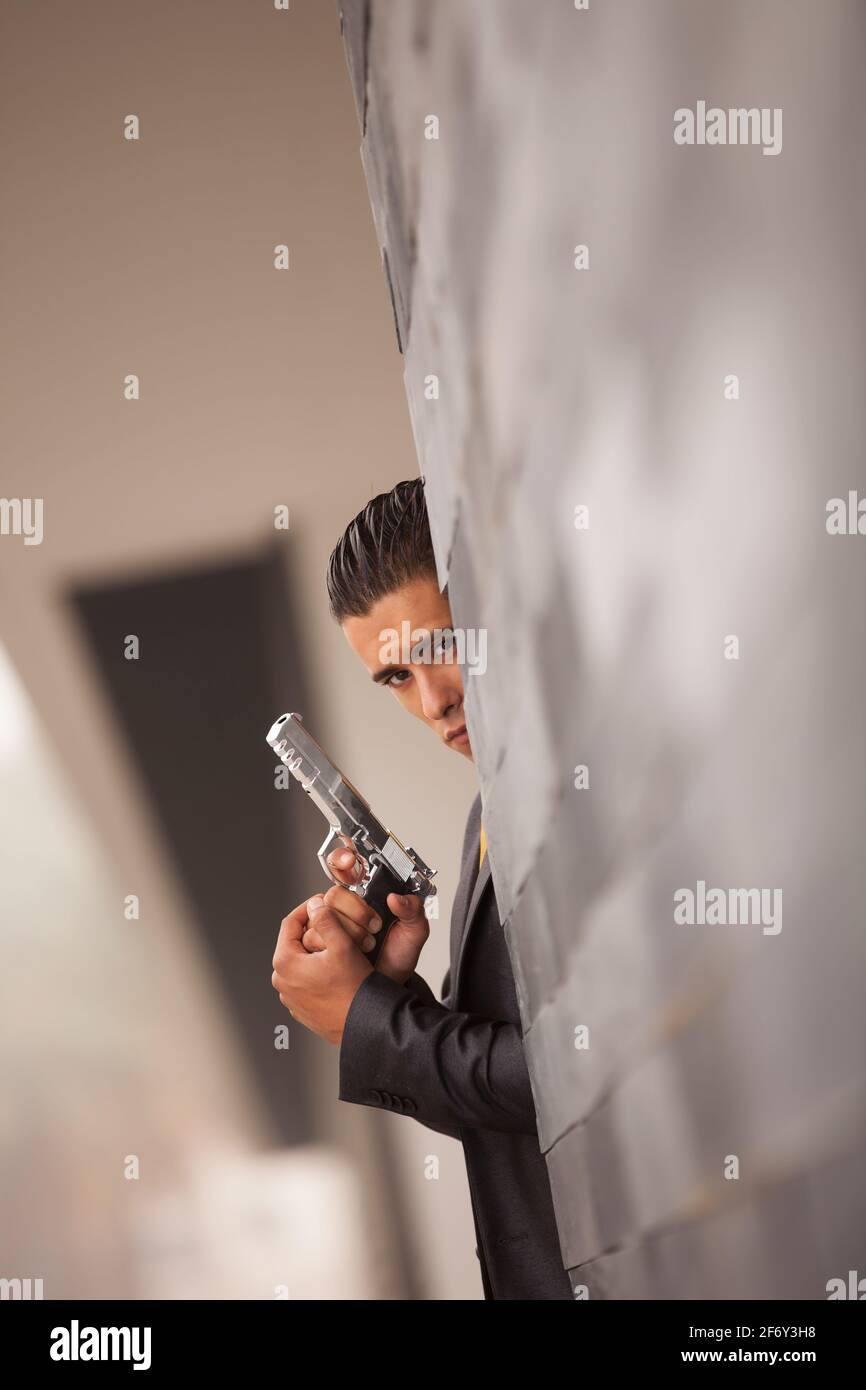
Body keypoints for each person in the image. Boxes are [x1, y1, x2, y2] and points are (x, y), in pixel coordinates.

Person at [271, 478, 573, 1299]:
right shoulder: (491, 811)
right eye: (395, 677)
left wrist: (374, 1023)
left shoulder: (588, 791)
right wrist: (390, 992)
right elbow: (504, 1109)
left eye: (441, 647)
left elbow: (580, 1075)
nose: (435, 701)